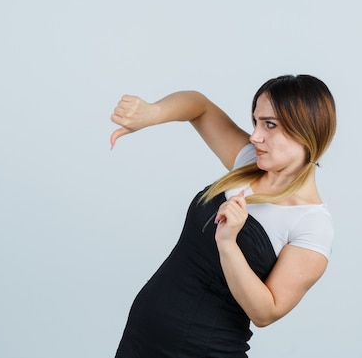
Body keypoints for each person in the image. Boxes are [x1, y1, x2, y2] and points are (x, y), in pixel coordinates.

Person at [110, 74, 337, 358]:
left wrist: (228, 245)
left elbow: (266, 312)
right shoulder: (249, 162)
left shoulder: (312, 225)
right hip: (141, 339)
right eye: (256, 122)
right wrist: (151, 113)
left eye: (270, 125)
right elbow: (199, 106)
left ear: (308, 131)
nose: (255, 136)